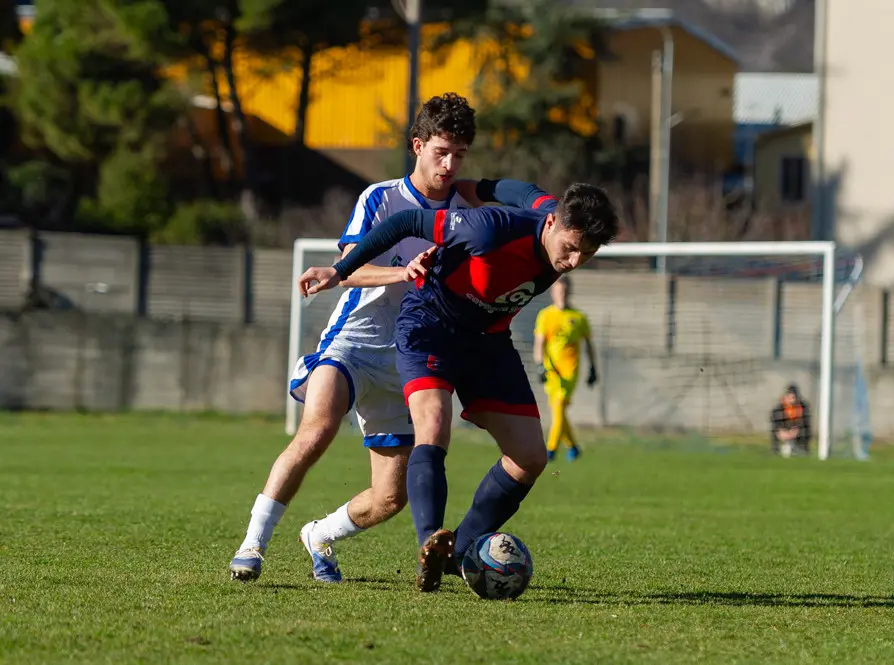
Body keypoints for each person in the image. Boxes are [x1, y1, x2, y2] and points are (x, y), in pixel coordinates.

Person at [300, 178, 620, 592]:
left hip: (488, 343)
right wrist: (339, 269)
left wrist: (479, 184)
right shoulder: (486, 229)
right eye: (571, 247)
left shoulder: (550, 211)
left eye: (587, 254)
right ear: (552, 223)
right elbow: (405, 222)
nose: (574, 261)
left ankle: (457, 551)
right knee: (433, 424)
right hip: (430, 325)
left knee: (530, 457)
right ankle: (429, 543)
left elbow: (522, 192)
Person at [229, 93, 477, 583]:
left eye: (460, 155)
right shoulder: (382, 198)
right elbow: (351, 266)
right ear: (417, 146)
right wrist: (402, 274)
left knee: (391, 496)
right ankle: (252, 545)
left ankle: (319, 534)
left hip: (410, 360)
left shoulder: (467, 208)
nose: (449, 165)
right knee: (316, 430)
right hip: (354, 342)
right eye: (441, 152)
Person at [532, 276, 597, 462]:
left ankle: (550, 450)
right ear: (553, 292)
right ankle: (574, 447)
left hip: (570, 371)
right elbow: (539, 344)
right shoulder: (545, 315)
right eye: (559, 291)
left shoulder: (578, 317)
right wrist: (539, 366)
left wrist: (593, 368)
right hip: (551, 370)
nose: (562, 294)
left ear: (570, 292)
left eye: (565, 291)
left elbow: (589, 345)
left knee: (559, 405)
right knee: (558, 410)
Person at [770, 384, 812, 457]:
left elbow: (806, 422)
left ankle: (803, 449)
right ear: (785, 397)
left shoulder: (803, 407)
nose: (792, 399)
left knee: (805, 431)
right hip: (784, 431)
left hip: (797, 432)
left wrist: (796, 430)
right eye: (790, 396)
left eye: (794, 397)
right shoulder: (778, 408)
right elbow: (775, 422)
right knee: (774, 431)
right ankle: (775, 450)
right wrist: (781, 431)